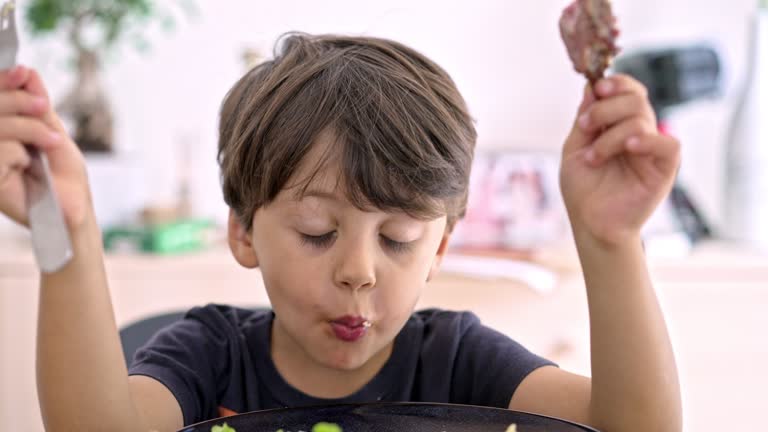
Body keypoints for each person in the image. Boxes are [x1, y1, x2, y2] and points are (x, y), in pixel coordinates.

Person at [0, 33, 682, 432]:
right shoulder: (210, 356)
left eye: (398, 238)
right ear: (242, 231)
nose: (359, 270)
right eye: (319, 231)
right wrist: (69, 238)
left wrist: (611, 244)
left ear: (440, 245)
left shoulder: (458, 360)